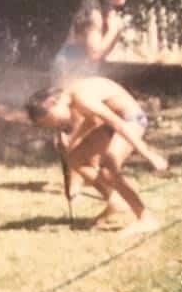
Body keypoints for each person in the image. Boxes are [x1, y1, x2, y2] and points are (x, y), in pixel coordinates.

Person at [25, 77, 168, 233]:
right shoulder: (71, 98)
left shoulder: (81, 97)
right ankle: (115, 201)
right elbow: (92, 121)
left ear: (53, 103)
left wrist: (148, 154)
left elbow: (117, 123)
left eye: (53, 121)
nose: (56, 126)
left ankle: (145, 218)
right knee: (75, 158)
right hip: (109, 125)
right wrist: (72, 142)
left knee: (109, 168)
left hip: (130, 120)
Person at [50, 0, 132, 86]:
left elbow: (101, 54)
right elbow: (95, 54)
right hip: (69, 71)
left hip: (83, 70)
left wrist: (115, 31)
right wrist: (113, 30)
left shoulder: (106, 12)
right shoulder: (94, 15)